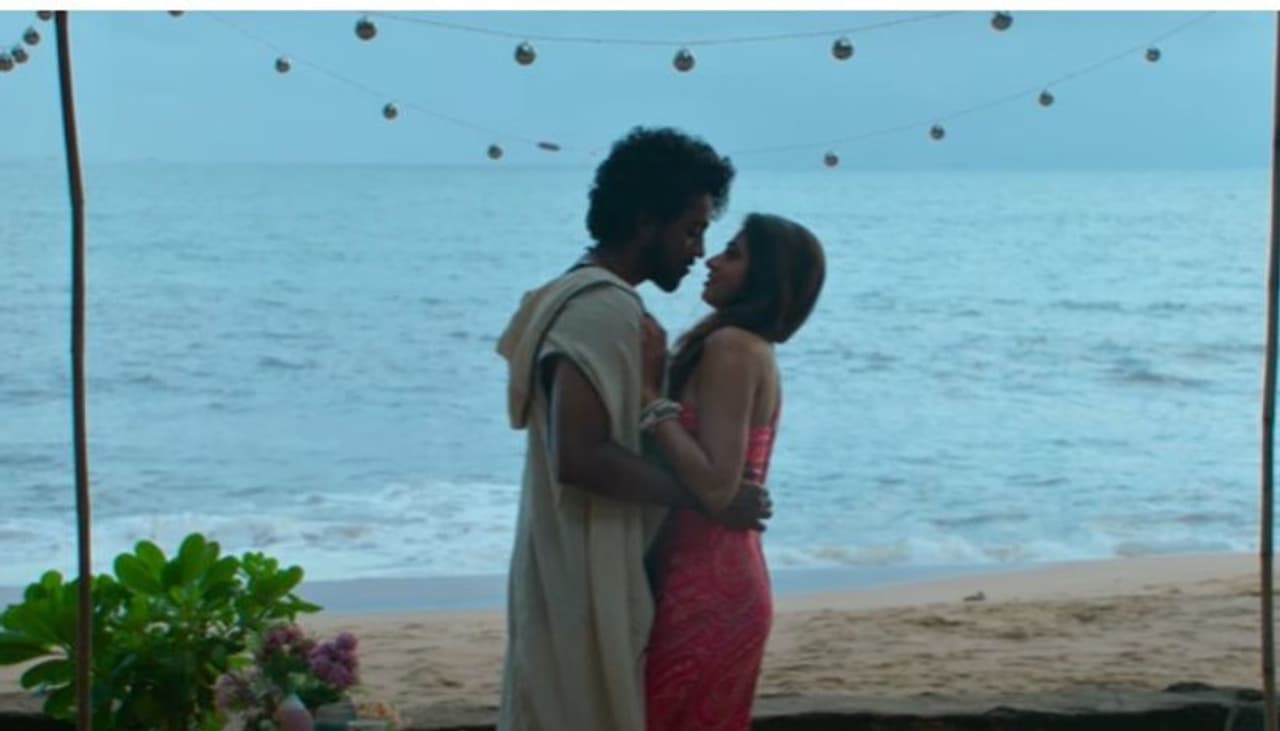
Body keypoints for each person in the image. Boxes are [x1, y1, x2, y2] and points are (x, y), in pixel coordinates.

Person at [495, 127, 771, 731]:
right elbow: (580, 454)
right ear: (647, 222)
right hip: (582, 567)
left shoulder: (584, 295)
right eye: (691, 230)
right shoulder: (602, 308)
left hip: (567, 557)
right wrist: (707, 498)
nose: (699, 251)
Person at [641, 213, 827, 731]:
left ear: (764, 278)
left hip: (709, 584)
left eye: (733, 254)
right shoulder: (739, 345)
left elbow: (718, 486)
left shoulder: (733, 347)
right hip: (704, 574)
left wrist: (650, 399)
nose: (712, 261)